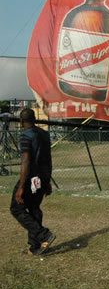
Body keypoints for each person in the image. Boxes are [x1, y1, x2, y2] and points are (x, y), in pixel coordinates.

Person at [10, 108, 55, 256]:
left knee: (16, 208)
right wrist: (47, 180)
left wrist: (21, 187)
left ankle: (43, 234)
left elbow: (26, 162)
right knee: (34, 208)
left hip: (31, 178)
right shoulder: (44, 134)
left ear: (22, 121)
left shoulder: (25, 136)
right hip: (42, 177)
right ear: (35, 119)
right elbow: (47, 159)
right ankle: (35, 246)